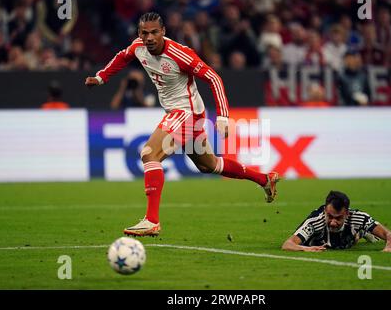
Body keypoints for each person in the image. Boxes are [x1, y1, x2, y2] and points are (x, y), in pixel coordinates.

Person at [85, 12, 279, 237]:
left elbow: (214, 78)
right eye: (144, 33)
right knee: (209, 165)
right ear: (139, 34)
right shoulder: (138, 47)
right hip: (183, 115)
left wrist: (224, 116)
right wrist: (101, 77)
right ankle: (264, 179)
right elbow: (122, 57)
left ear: (163, 32)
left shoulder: (180, 54)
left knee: (149, 154)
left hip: (186, 113)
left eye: (154, 32)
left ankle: (152, 220)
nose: (149, 37)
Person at [282, 190, 391, 252]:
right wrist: (305, 249)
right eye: (330, 216)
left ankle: (363, 233)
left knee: (353, 236)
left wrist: (389, 247)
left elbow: (390, 235)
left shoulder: (358, 217)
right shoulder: (314, 222)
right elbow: (288, 244)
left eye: (338, 218)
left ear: (347, 213)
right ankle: (360, 234)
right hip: (322, 240)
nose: (333, 222)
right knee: (350, 238)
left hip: (348, 234)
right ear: (325, 210)